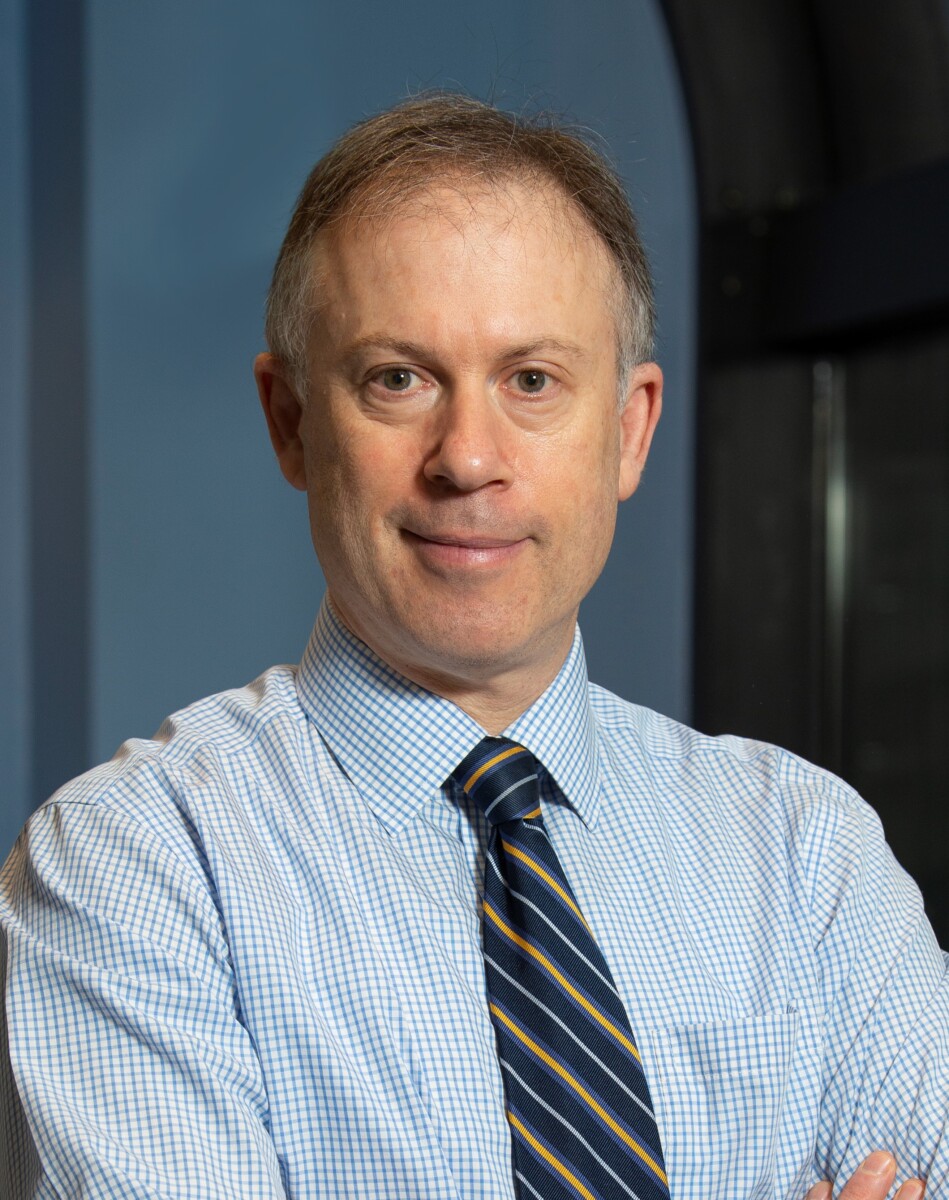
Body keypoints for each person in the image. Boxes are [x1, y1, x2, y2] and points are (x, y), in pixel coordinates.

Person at [0, 93, 943, 1199]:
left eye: (531, 381)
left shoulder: (806, 855)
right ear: (292, 422)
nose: (468, 459)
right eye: (397, 378)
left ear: (630, 430)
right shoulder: (135, 869)